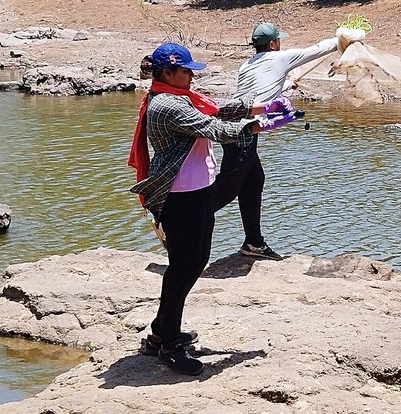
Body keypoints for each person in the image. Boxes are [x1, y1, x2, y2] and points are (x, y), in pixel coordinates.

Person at [127, 41, 293, 374]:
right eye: (185, 70)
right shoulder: (168, 106)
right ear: (167, 72)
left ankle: (162, 332)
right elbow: (215, 128)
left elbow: (217, 110)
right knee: (184, 267)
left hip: (198, 190)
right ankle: (168, 345)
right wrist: (267, 124)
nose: (191, 75)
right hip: (180, 196)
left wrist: (262, 108)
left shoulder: (180, 98)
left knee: (194, 260)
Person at [211, 21, 364, 260]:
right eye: (279, 40)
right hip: (242, 131)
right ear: (273, 43)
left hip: (237, 127)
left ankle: (253, 243)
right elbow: (316, 50)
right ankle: (176, 221)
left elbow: (260, 90)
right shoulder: (280, 58)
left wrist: (284, 85)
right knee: (228, 187)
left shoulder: (246, 65)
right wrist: (343, 38)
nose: (281, 43)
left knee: (253, 180)